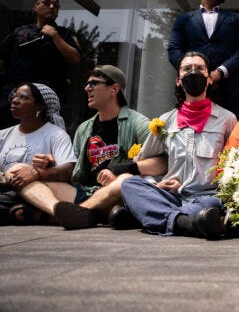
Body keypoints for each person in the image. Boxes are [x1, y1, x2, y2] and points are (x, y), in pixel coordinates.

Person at [15, 65, 150, 229]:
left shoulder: (139, 124)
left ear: (114, 89)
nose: (87, 88)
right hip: (85, 193)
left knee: (124, 182)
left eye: (93, 83)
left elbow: (158, 163)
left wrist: (122, 171)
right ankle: (71, 214)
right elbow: (73, 171)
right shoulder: (84, 128)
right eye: (87, 84)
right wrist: (50, 166)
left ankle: (63, 214)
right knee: (22, 173)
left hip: (116, 194)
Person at [118, 52, 237, 238]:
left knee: (208, 207)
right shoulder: (164, 121)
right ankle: (185, 223)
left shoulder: (227, 119)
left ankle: (149, 217)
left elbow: (234, 164)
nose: (193, 72)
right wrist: (155, 185)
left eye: (199, 68)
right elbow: (144, 160)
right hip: (171, 196)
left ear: (209, 79)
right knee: (129, 184)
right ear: (178, 81)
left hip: (207, 196)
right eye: (187, 69)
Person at [167, 0, 239, 117]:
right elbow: (174, 49)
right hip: (192, 86)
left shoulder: (235, 18)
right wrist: (191, 71)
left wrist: (221, 71)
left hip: (227, 88)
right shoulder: (185, 19)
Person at [0, 0, 81, 128]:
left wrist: (55, 36)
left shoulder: (63, 33)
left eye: (55, 6)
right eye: (46, 3)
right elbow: (2, 60)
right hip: (15, 94)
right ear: (35, 7)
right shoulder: (20, 32)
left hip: (46, 98)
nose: (51, 7)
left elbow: (75, 59)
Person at [0, 83, 76, 224]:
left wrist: (38, 172)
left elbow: (69, 169)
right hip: (6, 191)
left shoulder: (56, 135)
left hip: (38, 193)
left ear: (40, 107)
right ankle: (30, 214)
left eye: (23, 97)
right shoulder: (3, 135)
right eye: (14, 96)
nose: (15, 100)